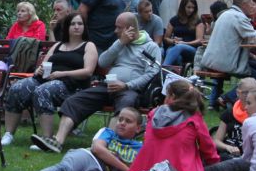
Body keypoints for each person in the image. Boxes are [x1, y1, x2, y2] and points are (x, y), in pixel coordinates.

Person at [32, 11, 160, 154]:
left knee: (125, 106)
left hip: (130, 89)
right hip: (107, 86)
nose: (115, 31)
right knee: (74, 101)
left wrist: (126, 85)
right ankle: (58, 141)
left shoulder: (151, 47)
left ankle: (107, 146)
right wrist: (120, 43)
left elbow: (152, 73)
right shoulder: (120, 42)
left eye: (118, 27)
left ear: (130, 28)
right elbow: (103, 62)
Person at [124, 80, 242, 171]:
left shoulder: (153, 114)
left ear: (172, 96)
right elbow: (208, 149)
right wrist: (216, 166)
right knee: (239, 165)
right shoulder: (194, 118)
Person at [1, 13, 98, 147]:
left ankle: (46, 139)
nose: (76, 27)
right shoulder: (58, 45)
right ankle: (9, 134)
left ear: (84, 27)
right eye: (73, 24)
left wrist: (62, 74)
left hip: (72, 86)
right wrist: (39, 70)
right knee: (17, 88)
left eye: (80, 24)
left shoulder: (88, 46)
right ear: (66, 27)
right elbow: (43, 65)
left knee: (43, 91)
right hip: (47, 79)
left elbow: (88, 71)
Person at [6, 107, 144, 171]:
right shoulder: (108, 132)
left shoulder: (141, 148)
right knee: (65, 169)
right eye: (120, 119)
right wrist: (126, 169)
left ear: (138, 128)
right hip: (88, 157)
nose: (122, 123)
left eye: (128, 121)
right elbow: (97, 149)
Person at [200, 0, 256, 81]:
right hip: (225, 64)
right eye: (251, 2)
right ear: (244, 5)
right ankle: (230, 93)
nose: (252, 5)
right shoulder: (239, 17)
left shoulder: (226, 14)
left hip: (212, 61)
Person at [162, 0, 204, 71]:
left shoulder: (198, 21)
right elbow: (166, 38)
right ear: (183, 7)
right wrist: (173, 41)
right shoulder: (174, 20)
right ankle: (176, 76)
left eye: (193, 8)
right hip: (175, 46)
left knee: (179, 47)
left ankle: (162, 70)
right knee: (177, 57)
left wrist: (184, 43)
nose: (191, 10)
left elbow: (199, 40)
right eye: (189, 7)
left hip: (192, 49)